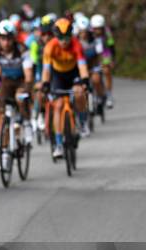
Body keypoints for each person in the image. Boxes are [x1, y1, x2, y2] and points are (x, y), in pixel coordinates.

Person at [0, 19, 34, 160]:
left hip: (21, 80)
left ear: (14, 38)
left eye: (9, 38)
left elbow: (29, 76)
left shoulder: (22, 50)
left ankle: (27, 123)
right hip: (6, 81)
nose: (6, 42)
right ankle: (1, 136)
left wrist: (26, 91)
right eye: (3, 38)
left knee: (19, 98)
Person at [41, 18, 90, 157]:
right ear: (56, 36)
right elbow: (46, 69)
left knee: (79, 93)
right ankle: (58, 143)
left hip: (73, 72)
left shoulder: (76, 45)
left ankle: (82, 122)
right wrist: (45, 83)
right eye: (60, 38)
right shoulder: (50, 47)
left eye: (67, 37)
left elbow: (82, 65)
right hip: (58, 76)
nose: (64, 41)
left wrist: (85, 80)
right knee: (58, 105)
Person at [90, 14, 115, 108]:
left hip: (105, 54)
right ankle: (99, 94)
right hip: (93, 55)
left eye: (99, 28)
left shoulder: (107, 33)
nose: (98, 31)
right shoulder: (90, 33)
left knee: (106, 71)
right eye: (95, 28)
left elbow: (112, 47)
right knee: (94, 77)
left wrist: (112, 60)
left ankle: (109, 94)